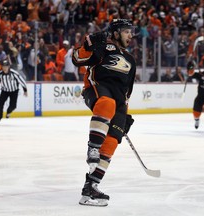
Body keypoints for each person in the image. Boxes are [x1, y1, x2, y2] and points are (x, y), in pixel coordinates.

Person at [72, 19, 136, 206]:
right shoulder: (103, 47)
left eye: (130, 32)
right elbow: (77, 59)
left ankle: (90, 188)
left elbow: (127, 91)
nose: (130, 35)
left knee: (111, 143)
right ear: (115, 33)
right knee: (106, 103)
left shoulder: (131, 60)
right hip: (97, 89)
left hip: (119, 101)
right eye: (126, 32)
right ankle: (93, 147)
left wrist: (125, 116)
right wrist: (87, 44)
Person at [0, 59, 28, 124]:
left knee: (13, 106)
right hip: (5, 91)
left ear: (9, 66)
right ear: (2, 67)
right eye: (3, 66)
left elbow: (22, 81)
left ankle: (8, 112)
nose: (5, 68)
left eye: (6, 66)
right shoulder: (0, 74)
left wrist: (25, 90)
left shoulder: (14, 73)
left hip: (14, 91)